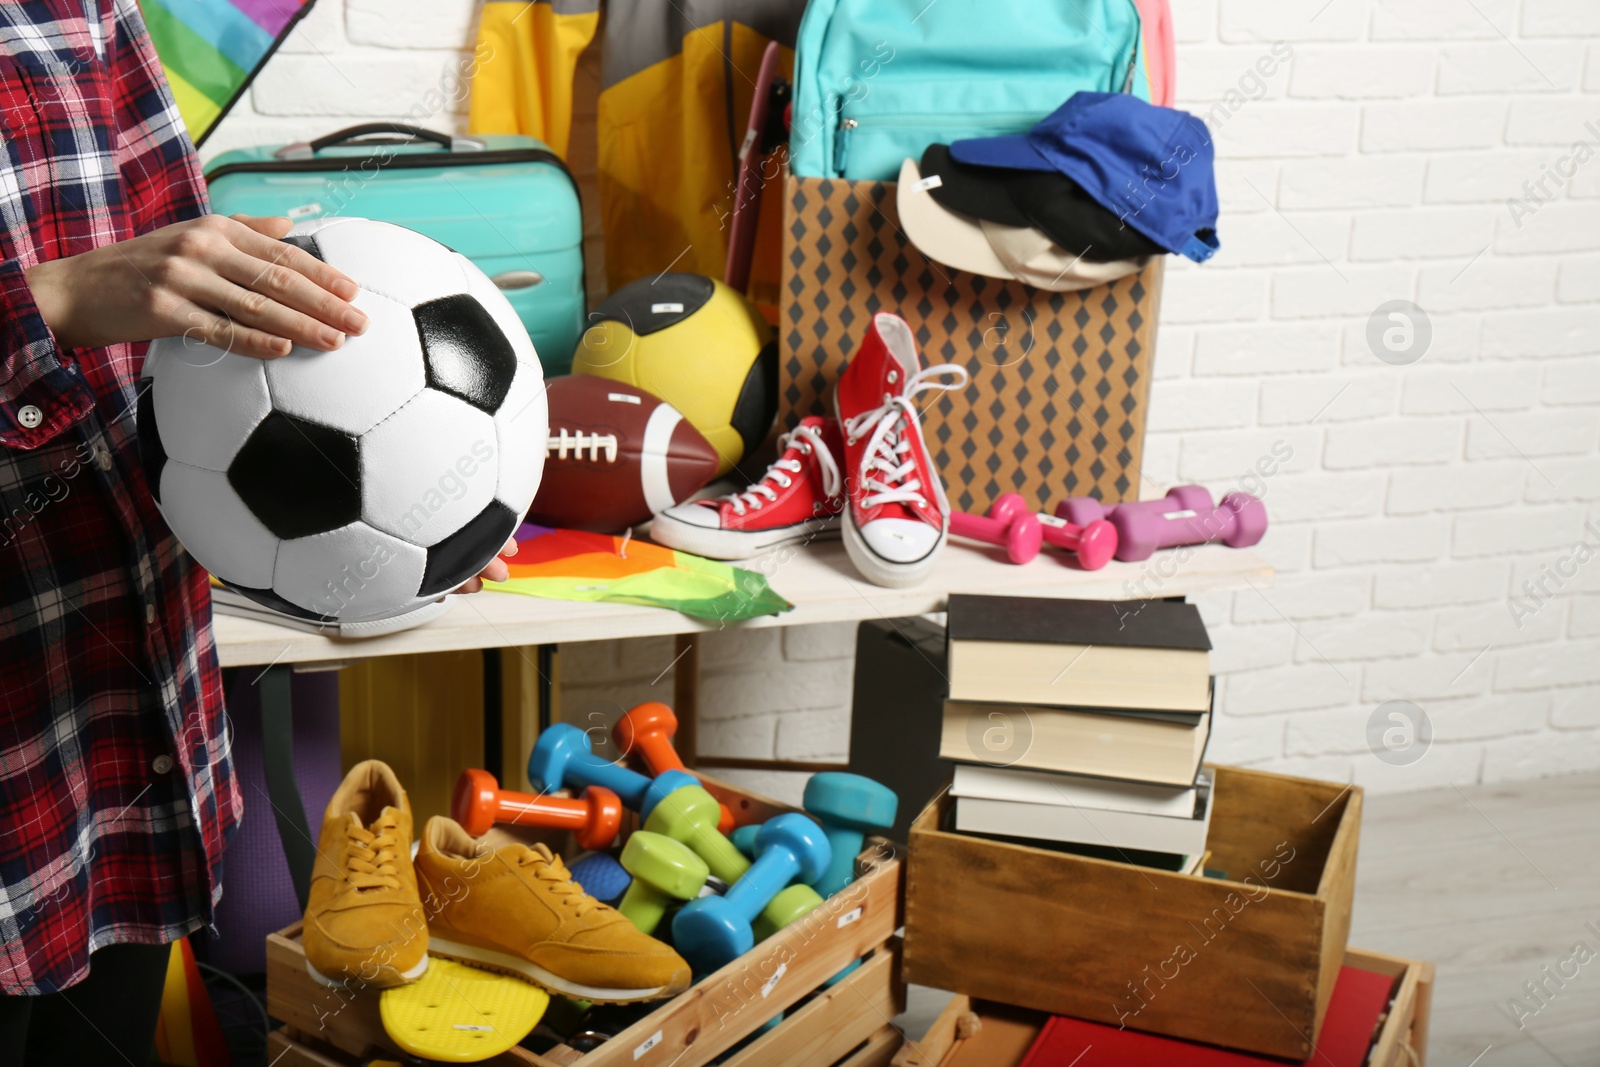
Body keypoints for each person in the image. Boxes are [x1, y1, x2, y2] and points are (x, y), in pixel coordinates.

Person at [0, 2, 510, 1060]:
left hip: (114, 749)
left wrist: (415, 498)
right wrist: (46, 300)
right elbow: (91, 304)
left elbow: (175, 369)